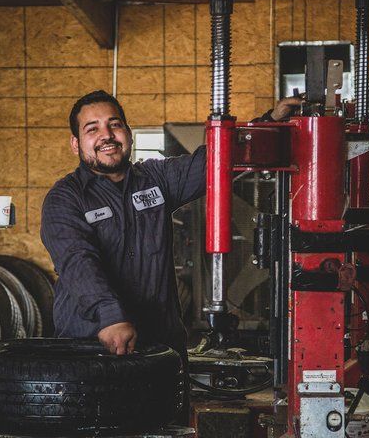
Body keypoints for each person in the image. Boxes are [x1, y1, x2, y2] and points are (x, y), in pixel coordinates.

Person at [40, 89, 303, 358]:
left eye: (115, 124)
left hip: (161, 344)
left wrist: (270, 121)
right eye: (92, 129)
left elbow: (217, 159)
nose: (106, 135)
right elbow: (77, 260)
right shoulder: (65, 199)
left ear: (127, 133)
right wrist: (110, 317)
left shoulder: (157, 178)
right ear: (76, 144)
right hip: (92, 343)